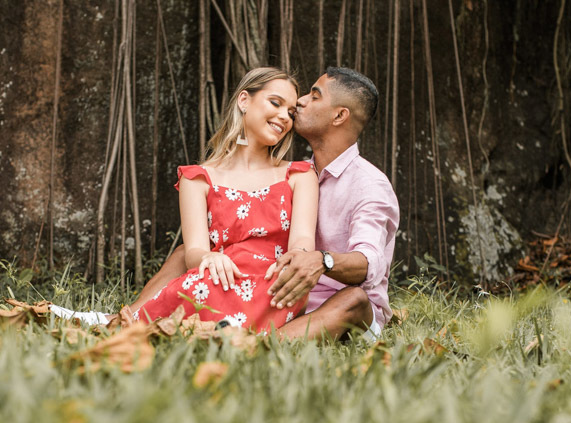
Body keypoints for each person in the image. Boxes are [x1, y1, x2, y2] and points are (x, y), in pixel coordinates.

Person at [128, 67, 399, 341]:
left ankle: (256, 344)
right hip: (278, 291)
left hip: (333, 306)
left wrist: (321, 260)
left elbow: (369, 263)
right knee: (190, 250)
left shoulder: (368, 184)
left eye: (314, 96)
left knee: (353, 299)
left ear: (339, 115)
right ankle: (126, 317)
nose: (301, 103)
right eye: (281, 103)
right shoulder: (299, 171)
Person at [132, 67, 319, 332]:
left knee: (286, 290)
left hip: (275, 286)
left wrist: (297, 258)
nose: (283, 117)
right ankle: (132, 322)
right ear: (244, 100)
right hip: (219, 281)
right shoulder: (197, 178)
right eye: (275, 103)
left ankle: (219, 328)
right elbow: (193, 251)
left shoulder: (298, 175)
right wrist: (209, 258)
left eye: (290, 112)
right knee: (200, 285)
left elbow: (301, 240)